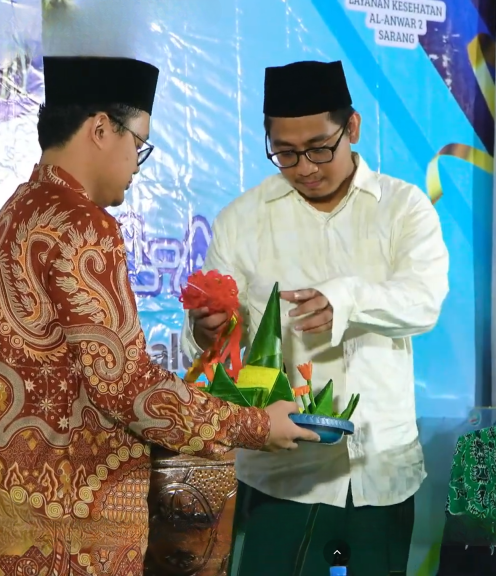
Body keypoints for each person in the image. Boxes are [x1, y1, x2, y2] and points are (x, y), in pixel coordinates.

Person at [0, 55, 317, 576]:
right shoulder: (83, 225)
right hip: (73, 543)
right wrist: (258, 425)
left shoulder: (7, 219)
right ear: (102, 129)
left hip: (1, 539)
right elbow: (125, 386)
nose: (137, 164)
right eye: (139, 144)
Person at [183, 60, 450, 575]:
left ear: (352, 127)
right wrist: (205, 330)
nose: (304, 167)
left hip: (379, 467)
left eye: (319, 148)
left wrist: (345, 300)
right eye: (285, 152)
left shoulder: (402, 207)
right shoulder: (242, 220)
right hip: (281, 476)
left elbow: (424, 300)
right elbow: (217, 342)